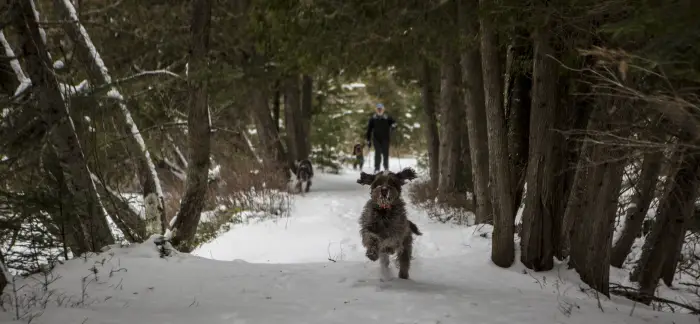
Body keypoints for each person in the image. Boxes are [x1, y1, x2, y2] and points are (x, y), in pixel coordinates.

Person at [366, 103, 396, 173]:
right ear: (376, 110)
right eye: (378, 109)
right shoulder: (373, 119)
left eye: (381, 109)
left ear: (383, 110)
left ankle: (386, 167)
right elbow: (369, 130)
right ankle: (377, 168)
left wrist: (394, 126)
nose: (379, 110)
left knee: (385, 154)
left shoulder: (387, 118)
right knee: (377, 153)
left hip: (385, 139)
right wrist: (368, 140)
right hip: (376, 139)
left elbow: (394, 123)